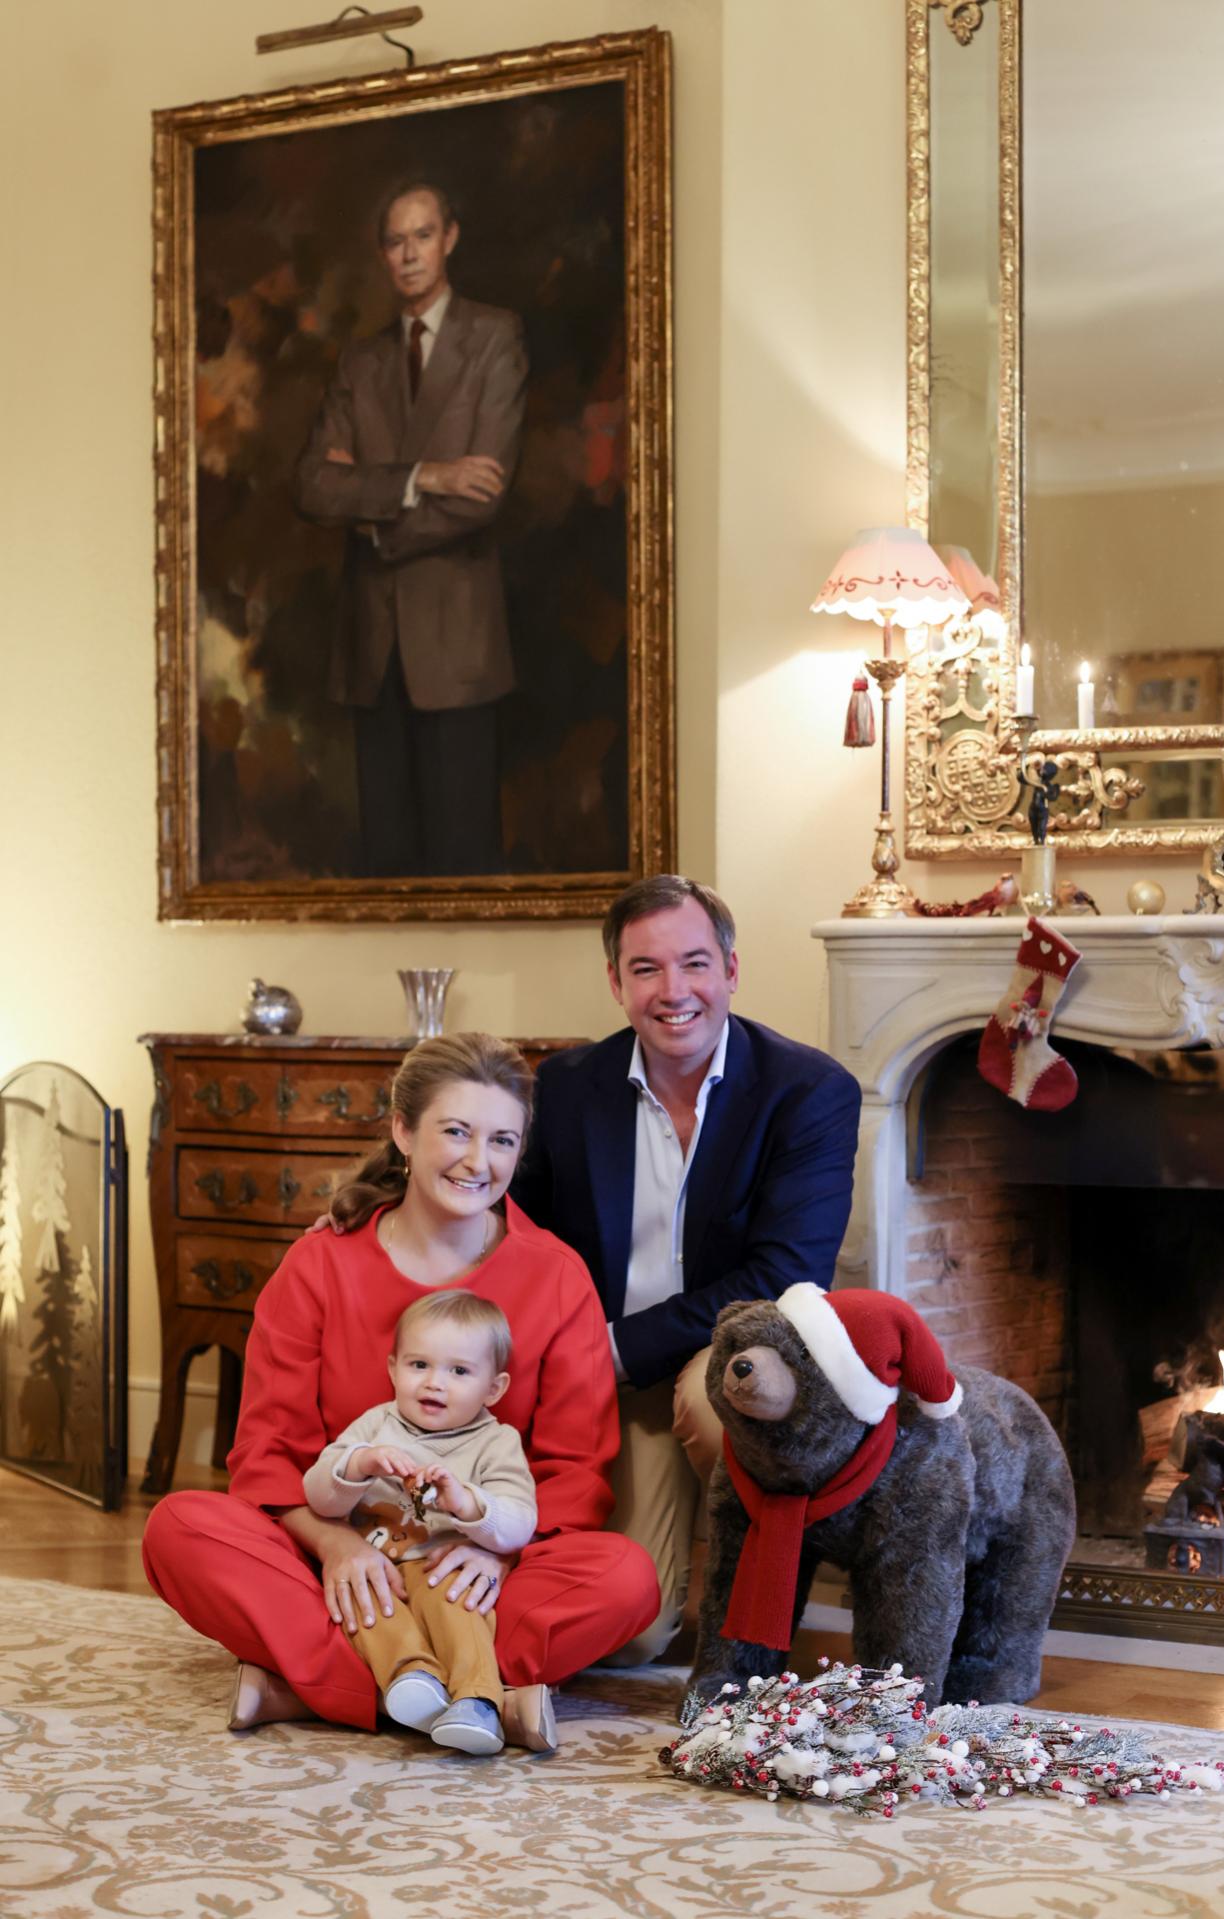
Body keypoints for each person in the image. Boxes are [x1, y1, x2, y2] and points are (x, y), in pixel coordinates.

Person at [142, 1034, 658, 1752]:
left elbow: (574, 1471)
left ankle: (312, 1687)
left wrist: (496, 1554)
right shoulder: (319, 1264)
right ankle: (476, 1691)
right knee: (180, 1530)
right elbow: (267, 1454)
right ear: (402, 1131)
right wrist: (335, 1547)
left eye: (503, 1139)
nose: (479, 1161)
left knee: (627, 1577)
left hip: (473, 1565)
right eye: (455, 1131)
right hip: (341, 1548)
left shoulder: (557, 1275)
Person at [509, 875, 862, 1663]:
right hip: (609, 1374)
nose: (674, 991)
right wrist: (376, 1203)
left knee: (722, 1396)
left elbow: (784, 1272)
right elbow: (509, 1221)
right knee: (631, 1639)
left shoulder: (807, 1091)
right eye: (646, 969)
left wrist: (609, 1347)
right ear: (616, 981)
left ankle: (758, 1619)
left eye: (695, 963)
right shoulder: (568, 1086)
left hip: (725, 1358)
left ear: (732, 970)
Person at [293, 179, 528, 878]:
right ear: (381, 254)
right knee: (387, 867)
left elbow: (484, 495)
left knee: (463, 859)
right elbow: (310, 484)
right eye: (395, 241)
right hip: (372, 649)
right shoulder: (359, 363)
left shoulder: (494, 337)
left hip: (457, 648)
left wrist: (370, 518)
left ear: (449, 237)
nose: (409, 255)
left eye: (422, 236)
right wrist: (424, 474)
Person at [302, 1290, 538, 1756]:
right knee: (368, 1610)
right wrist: (359, 1465)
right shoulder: (374, 1425)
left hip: (444, 1563)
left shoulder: (497, 1442)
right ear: (392, 1368)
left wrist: (467, 1503)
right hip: (375, 1559)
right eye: (418, 1366)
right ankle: (414, 1680)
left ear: (494, 1388)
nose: (434, 1383)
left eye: (459, 1371)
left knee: (460, 1607)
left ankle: (478, 1701)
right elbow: (316, 1495)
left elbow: (519, 1521)